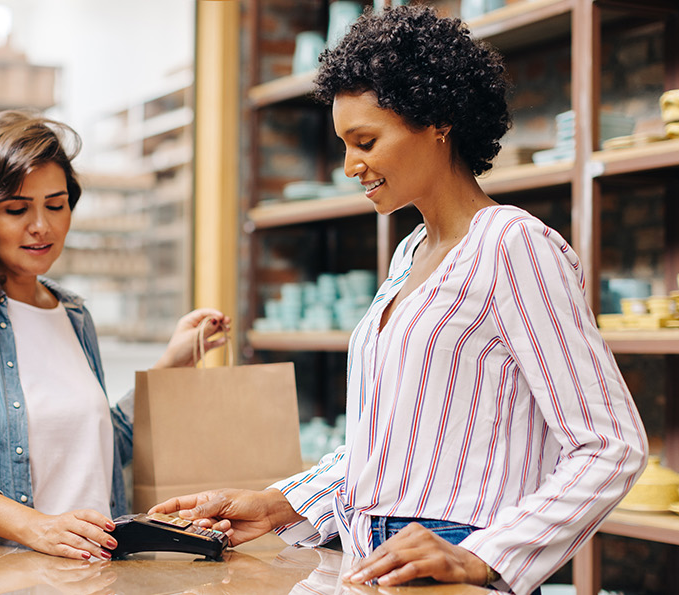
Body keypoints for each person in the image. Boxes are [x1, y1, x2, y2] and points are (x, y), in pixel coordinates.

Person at [151, 7, 647, 594]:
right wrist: (276, 504)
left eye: (365, 141)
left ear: (438, 123)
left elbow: (610, 445)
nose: (350, 166)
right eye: (344, 144)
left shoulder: (515, 245)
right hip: (373, 561)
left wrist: (484, 556)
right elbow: (390, 447)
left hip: (450, 569)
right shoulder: (410, 252)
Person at [0, 110, 231, 562]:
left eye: (56, 204)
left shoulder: (73, 314)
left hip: (94, 575)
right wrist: (40, 529)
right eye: (17, 209)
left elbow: (101, 446)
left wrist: (173, 363)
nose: (42, 226)